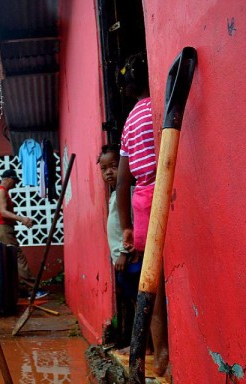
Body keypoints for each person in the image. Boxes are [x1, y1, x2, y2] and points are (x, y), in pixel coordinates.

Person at [116, 52, 169, 375]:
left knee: (153, 276)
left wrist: (125, 226)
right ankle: (163, 351)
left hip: (141, 197)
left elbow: (123, 179)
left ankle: (159, 350)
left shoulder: (130, 120)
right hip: (161, 190)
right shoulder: (157, 108)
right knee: (164, 274)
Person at [98, 144, 138, 352]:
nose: (109, 172)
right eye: (104, 169)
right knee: (133, 303)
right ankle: (139, 345)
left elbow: (133, 225)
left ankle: (145, 347)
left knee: (140, 303)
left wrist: (124, 252)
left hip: (131, 259)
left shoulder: (128, 193)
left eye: (114, 166)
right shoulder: (115, 195)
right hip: (121, 261)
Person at [0, 169, 45, 299]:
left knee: (8, 261)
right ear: (8, 179)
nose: (15, 184)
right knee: (18, 258)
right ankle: (33, 289)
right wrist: (22, 219)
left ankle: (18, 290)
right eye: (14, 181)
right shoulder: (1, 191)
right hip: (2, 229)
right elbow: (3, 212)